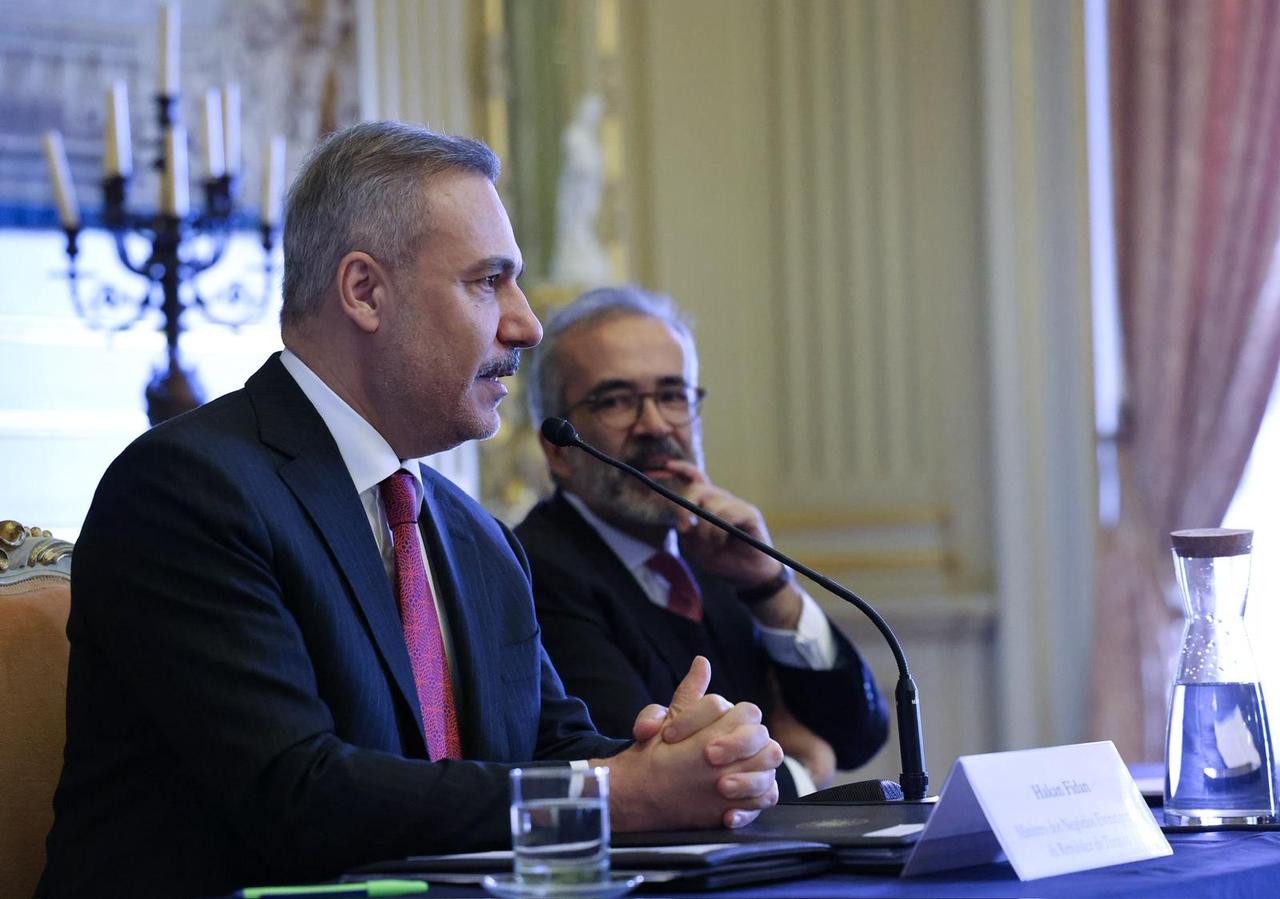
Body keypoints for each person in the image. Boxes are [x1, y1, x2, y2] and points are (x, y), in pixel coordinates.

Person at [40, 123, 781, 899]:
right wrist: (617, 791)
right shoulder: (186, 488)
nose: (526, 323)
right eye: (487, 281)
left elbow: (549, 746)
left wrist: (684, 756)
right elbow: (298, 794)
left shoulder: (476, 536)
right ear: (365, 291)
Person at [517, 286, 889, 800]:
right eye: (618, 401)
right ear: (559, 451)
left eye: (673, 395)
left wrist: (769, 588)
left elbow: (855, 734)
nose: (654, 426)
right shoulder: (534, 569)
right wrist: (805, 769)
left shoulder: (715, 550)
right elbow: (650, 770)